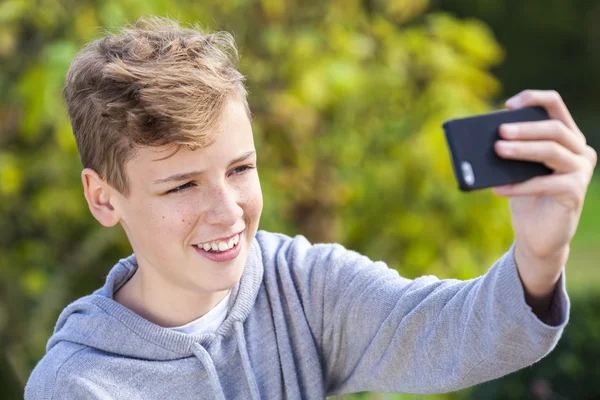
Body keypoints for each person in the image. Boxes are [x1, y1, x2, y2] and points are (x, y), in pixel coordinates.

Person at [25, 16, 596, 400]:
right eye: (182, 187)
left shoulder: (301, 285)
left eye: (240, 169)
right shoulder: (79, 384)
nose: (228, 214)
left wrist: (539, 256)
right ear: (104, 198)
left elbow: (456, 332)